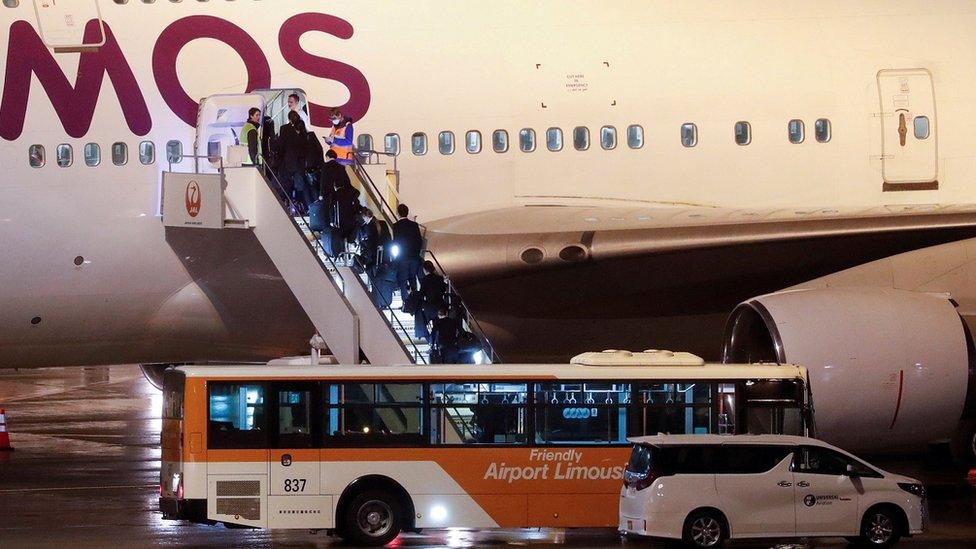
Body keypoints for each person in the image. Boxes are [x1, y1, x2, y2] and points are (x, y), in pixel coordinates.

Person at [392, 203, 424, 305]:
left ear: (398, 214)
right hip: (414, 256)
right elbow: (419, 240)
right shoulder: (414, 225)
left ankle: (406, 303)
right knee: (412, 277)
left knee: (403, 280)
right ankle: (415, 301)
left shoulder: (396, 226)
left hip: (402, 257)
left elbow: (396, 242)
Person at [280, 110, 312, 212]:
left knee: (288, 186)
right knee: (301, 187)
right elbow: (306, 146)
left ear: (289, 118)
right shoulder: (302, 127)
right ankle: (303, 207)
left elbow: (281, 145)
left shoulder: (284, 128)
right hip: (300, 163)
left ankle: (289, 206)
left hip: (289, 162)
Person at [416, 260, 447, 341]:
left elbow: (422, 293)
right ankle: (435, 340)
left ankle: (428, 339)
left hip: (430, 307)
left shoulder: (425, 280)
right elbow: (443, 289)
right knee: (437, 325)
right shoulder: (439, 278)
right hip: (440, 305)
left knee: (420, 319)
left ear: (424, 270)